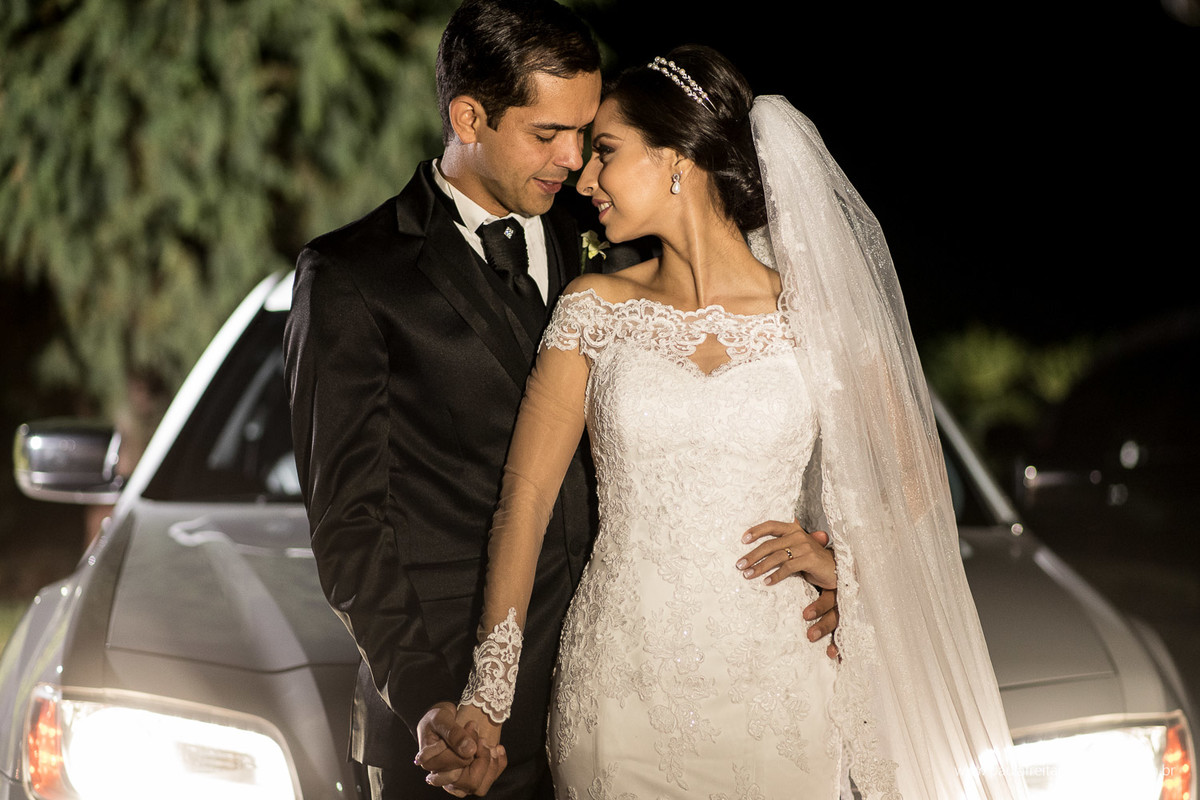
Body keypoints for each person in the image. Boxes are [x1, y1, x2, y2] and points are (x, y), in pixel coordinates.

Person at [285, 4, 840, 797]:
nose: (574, 159)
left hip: (647, 676)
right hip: (461, 716)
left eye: (587, 133)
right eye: (548, 135)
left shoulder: (612, 220)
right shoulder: (352, 278)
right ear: (469, 116)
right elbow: (348, 528)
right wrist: (433, 698)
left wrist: (845, 574)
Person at [452, 45, 1031, 798]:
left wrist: (847, 570)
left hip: (781, 688)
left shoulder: (818, 319)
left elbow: (917, 482)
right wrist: (486, 696)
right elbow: (524, 501)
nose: (584, 178)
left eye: (606, 152)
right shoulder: (593, 310)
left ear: (676, 159)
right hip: (621, 686)